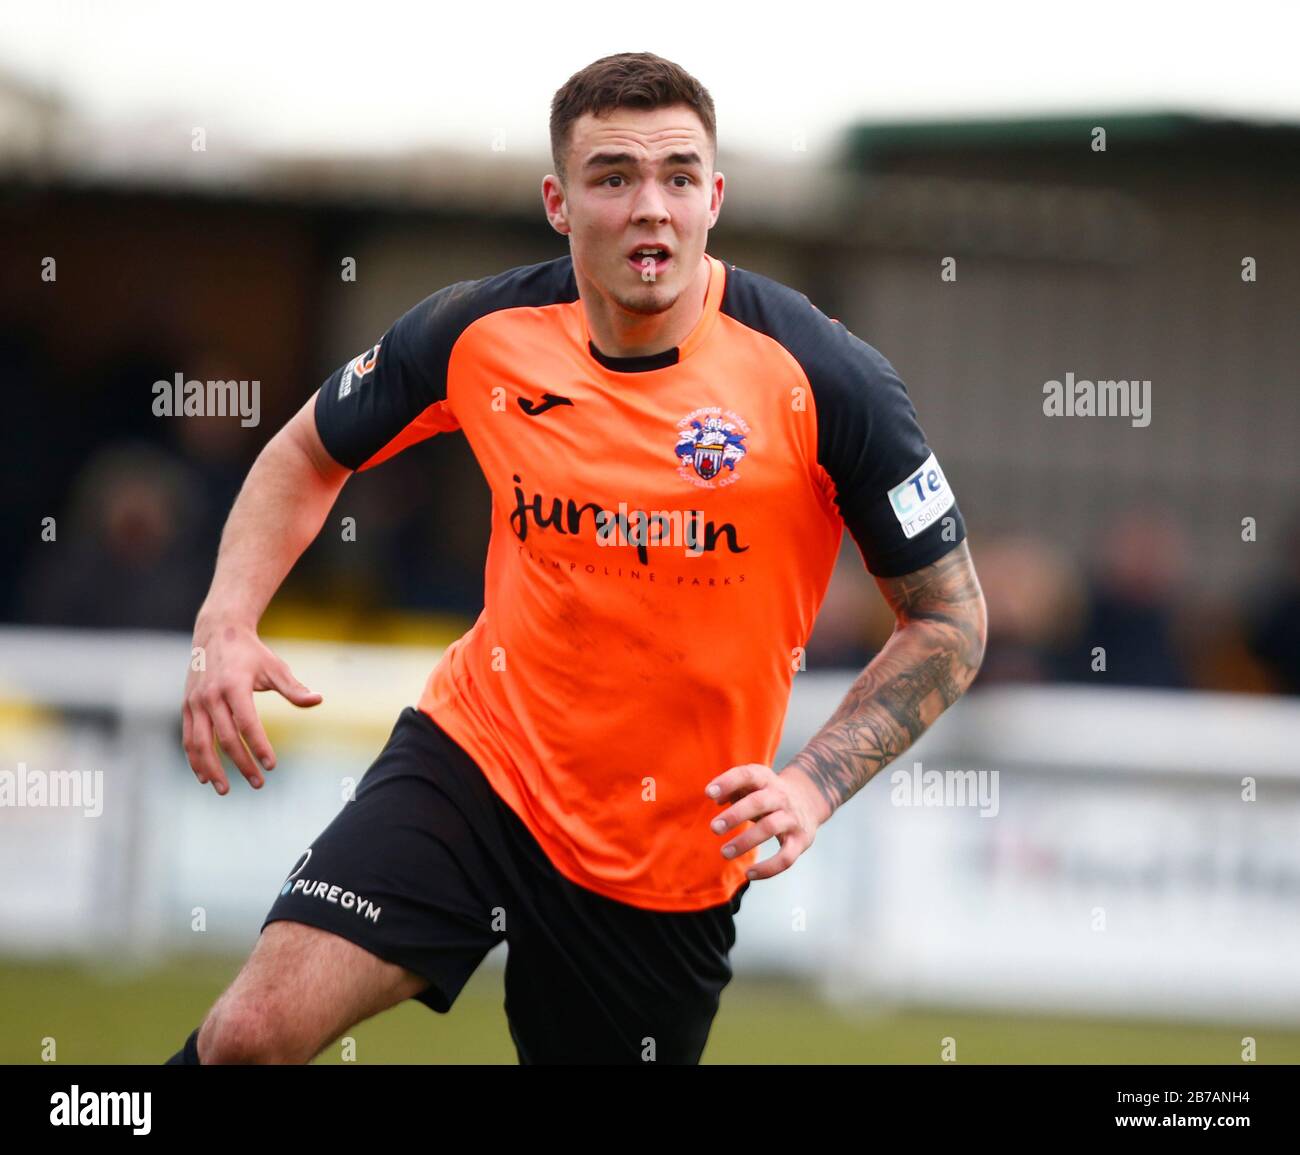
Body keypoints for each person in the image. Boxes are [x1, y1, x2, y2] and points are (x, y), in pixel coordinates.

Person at [166, 51, 987, 1066]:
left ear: (714, 198)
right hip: (481, 761)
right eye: (614, 177)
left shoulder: (827, 379)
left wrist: (815, 783)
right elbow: (306, 452)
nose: (651, 206)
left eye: (678, 177)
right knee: (251, 1034)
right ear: (558, 201)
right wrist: (225, 622)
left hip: (670, 856)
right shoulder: (482, 331)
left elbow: (951, 621)